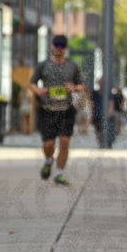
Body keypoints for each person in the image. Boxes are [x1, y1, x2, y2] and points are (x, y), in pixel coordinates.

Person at [28, 35, 87, 186]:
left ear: (65, 48)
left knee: (65, 141)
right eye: (56, 45)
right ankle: (48, 160)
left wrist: (74, 88)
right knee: (49, 145)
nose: (59, 48)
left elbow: (81, 85)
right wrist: (39, 91)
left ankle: (60, 173)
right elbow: (31, 83)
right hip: (47, 109)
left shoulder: (72, 66)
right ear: (52, 46)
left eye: (62, 46)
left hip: (66, 110)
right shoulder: (43, 65)